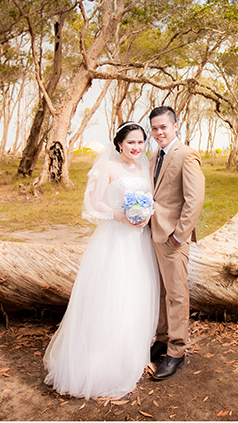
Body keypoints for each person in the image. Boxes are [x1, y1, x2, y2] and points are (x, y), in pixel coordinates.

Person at [43, 122, 159, 399]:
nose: (136, 147)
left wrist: (145, 214)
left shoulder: (143, 168)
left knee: (136, 293)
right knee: (111, 294)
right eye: (131, 142)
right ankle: (102, 358)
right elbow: (94, 204)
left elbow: (149, 198)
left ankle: (130, 352)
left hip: (139, 240)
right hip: (116, 238)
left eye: (140, 142)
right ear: (119, 143)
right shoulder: (108, 166)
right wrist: (121, 215)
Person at [148, 106, 205, 380]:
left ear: (175, 126)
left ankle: (177, 351)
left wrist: (179, 236)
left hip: (173, 238)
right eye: (154, 128)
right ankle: (162, 339)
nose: (159, 132)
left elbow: (194, 200)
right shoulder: (154, 156)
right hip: (153, 234)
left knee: (177, 295)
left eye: (163, 127)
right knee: (160, 291)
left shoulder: (187, 155)